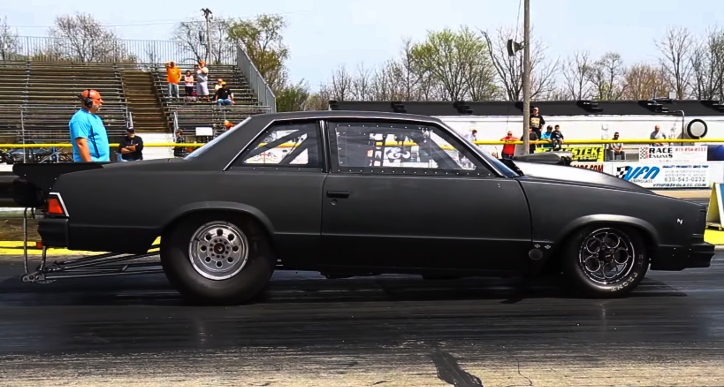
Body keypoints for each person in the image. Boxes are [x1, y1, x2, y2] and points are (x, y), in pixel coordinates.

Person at [69, 89, 110, 162]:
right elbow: (81, 144)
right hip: (92, 166)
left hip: (102, 164)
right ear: (89, 102)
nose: (101, 101)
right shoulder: (80, 118)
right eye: (98, 99)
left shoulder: (96, 118)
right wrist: (90, 166)